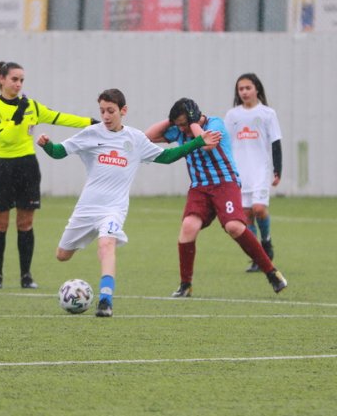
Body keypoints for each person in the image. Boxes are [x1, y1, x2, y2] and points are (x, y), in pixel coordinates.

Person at [37, 89, 221, 317]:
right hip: (87, 208)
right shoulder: (91, 134)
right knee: (62, 256)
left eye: (110, 111)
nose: (105, 116)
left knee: (107, 246)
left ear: (123, 111)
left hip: (114, 209)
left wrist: (197, 142)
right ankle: (92, 240)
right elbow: (58, 152)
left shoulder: (135, 139)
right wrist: (46, 145)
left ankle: (105, 301)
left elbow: (167, 157)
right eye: (102, 111)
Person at [145, 97, 288, 297]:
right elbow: (148, 136)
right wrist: (172, 121)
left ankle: (272, 273)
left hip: (225, 183)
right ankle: (186, 285)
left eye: (184, 124)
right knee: (188, 227)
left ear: (194, 117)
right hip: (199, 188)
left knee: (234, 227)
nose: (182, 130)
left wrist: (193, 123)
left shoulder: (215, 123)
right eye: (179, 125)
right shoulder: (180, 129)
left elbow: (206, 144)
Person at [0, 61, 98, 290]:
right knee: (0, 224)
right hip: (2, 167)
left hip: (27, 166)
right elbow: (5, 137)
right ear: (1, 79)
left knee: (25, 223)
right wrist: (17, 113)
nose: (18, 84)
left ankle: (26, 276)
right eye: (14, 79)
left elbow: (58, 117)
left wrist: (92, 123)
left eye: (21, 80)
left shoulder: (31, 106)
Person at [224, 73, 282, 272]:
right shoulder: (232, 116)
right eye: (241, 89)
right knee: (246, 216)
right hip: (240, 174)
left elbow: (275, 142)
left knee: (259, 209)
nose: (244, 92)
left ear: (257, 89)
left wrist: (278, 170)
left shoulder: (267, 114)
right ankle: (258, 257)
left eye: (248, 88)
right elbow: (225, 143)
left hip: (260, 171)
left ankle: (266, 243)